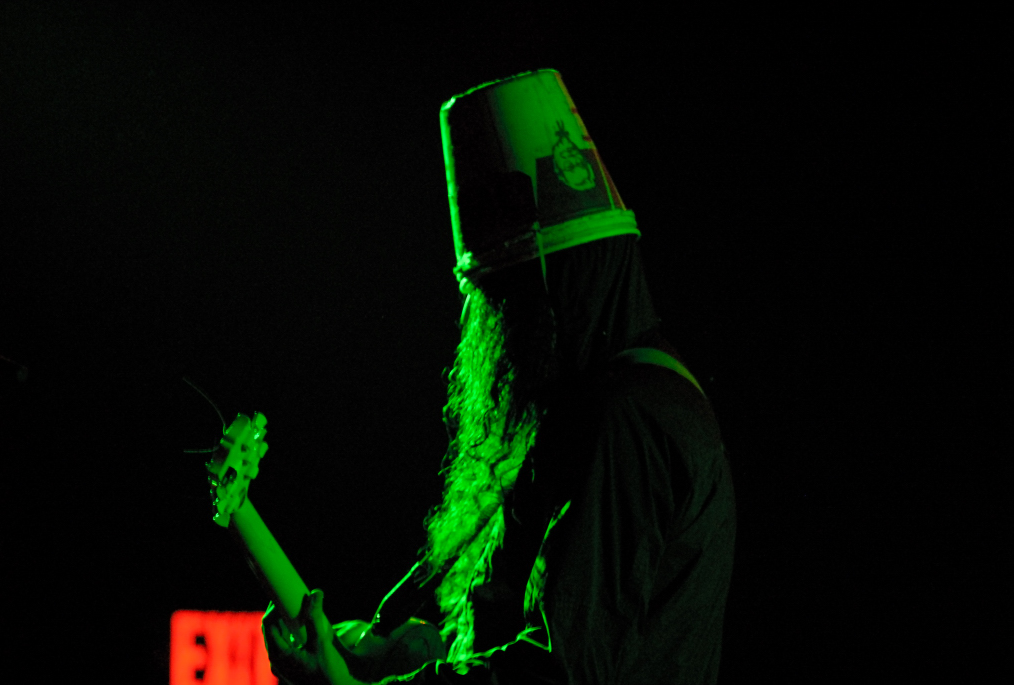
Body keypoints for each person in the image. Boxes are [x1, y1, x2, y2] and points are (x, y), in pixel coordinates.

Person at [262, 69, 736, 684]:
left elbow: (558, 668)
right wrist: (385, 656)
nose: (497, 337)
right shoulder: (630, 401)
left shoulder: (629, 419)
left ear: (552, 287)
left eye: (505, 302)